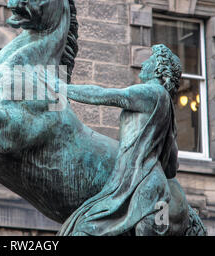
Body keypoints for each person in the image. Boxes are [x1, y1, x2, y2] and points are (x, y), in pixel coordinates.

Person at [58, 44, 182, 236]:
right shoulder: (168, 107)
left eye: (149, 59)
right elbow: (172, 166)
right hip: (154, 184)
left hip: (140, 183)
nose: (143, 63)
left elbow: (103, 95)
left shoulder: (151, 92)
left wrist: (57, 87)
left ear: (158, 68)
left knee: (84, 228)